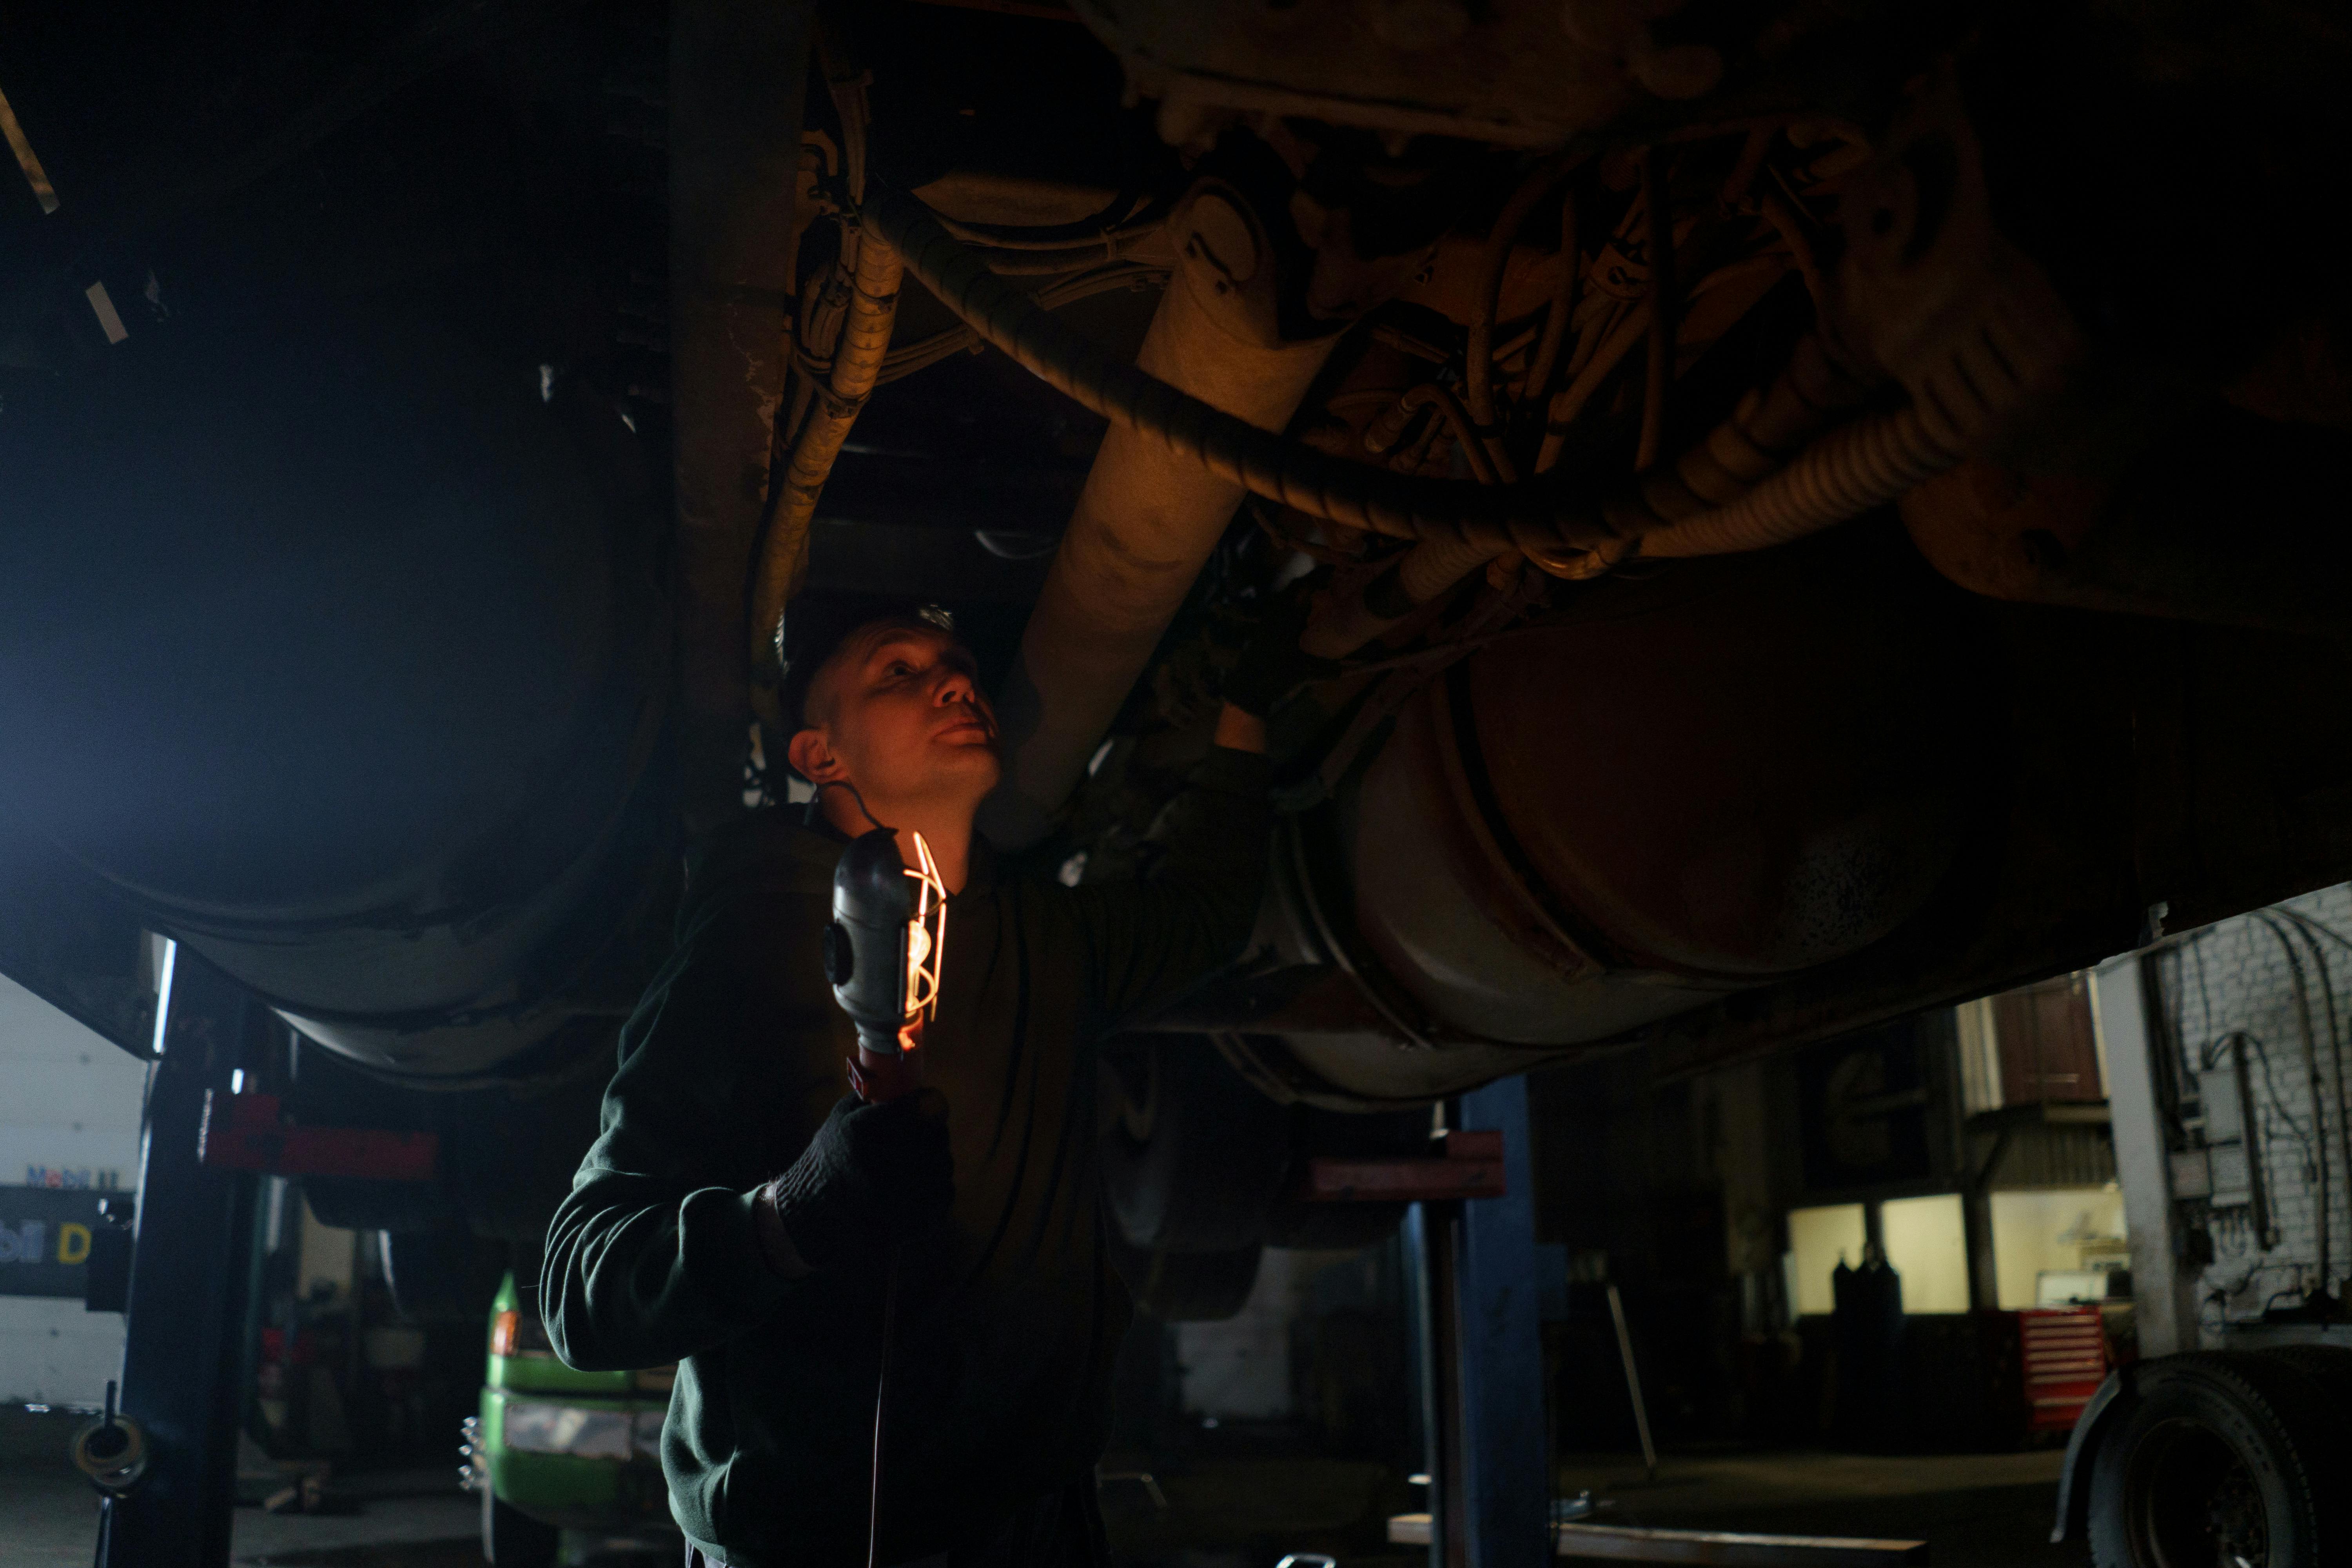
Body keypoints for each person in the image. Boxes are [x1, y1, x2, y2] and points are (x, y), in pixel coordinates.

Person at [539, 596, 1279, 1568]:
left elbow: (1208, 909)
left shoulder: (1048, 941)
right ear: (820, 755)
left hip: (1038, 1534)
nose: (955, 681)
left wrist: (1251, 708)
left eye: (957, 663)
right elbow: (579, 1290)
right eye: (899, 670)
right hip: (808, 1545)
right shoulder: (743, 955)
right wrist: (790, 1216)